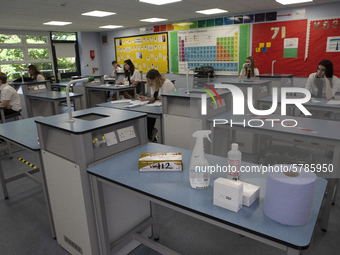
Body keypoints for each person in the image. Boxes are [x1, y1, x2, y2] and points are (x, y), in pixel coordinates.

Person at [138, 69, 175, 142]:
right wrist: (145, 98)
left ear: (157, 79)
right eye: (149, 81)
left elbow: (167, 99)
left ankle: (150, 136)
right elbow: (153, 98)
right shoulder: (153, 84)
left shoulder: (167, 84)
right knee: (148, 116)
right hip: (157, 106)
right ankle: (149, 135)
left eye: (152, 81)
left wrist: (155, 101)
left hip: (169, 106)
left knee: (150, 118)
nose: (150, 83)